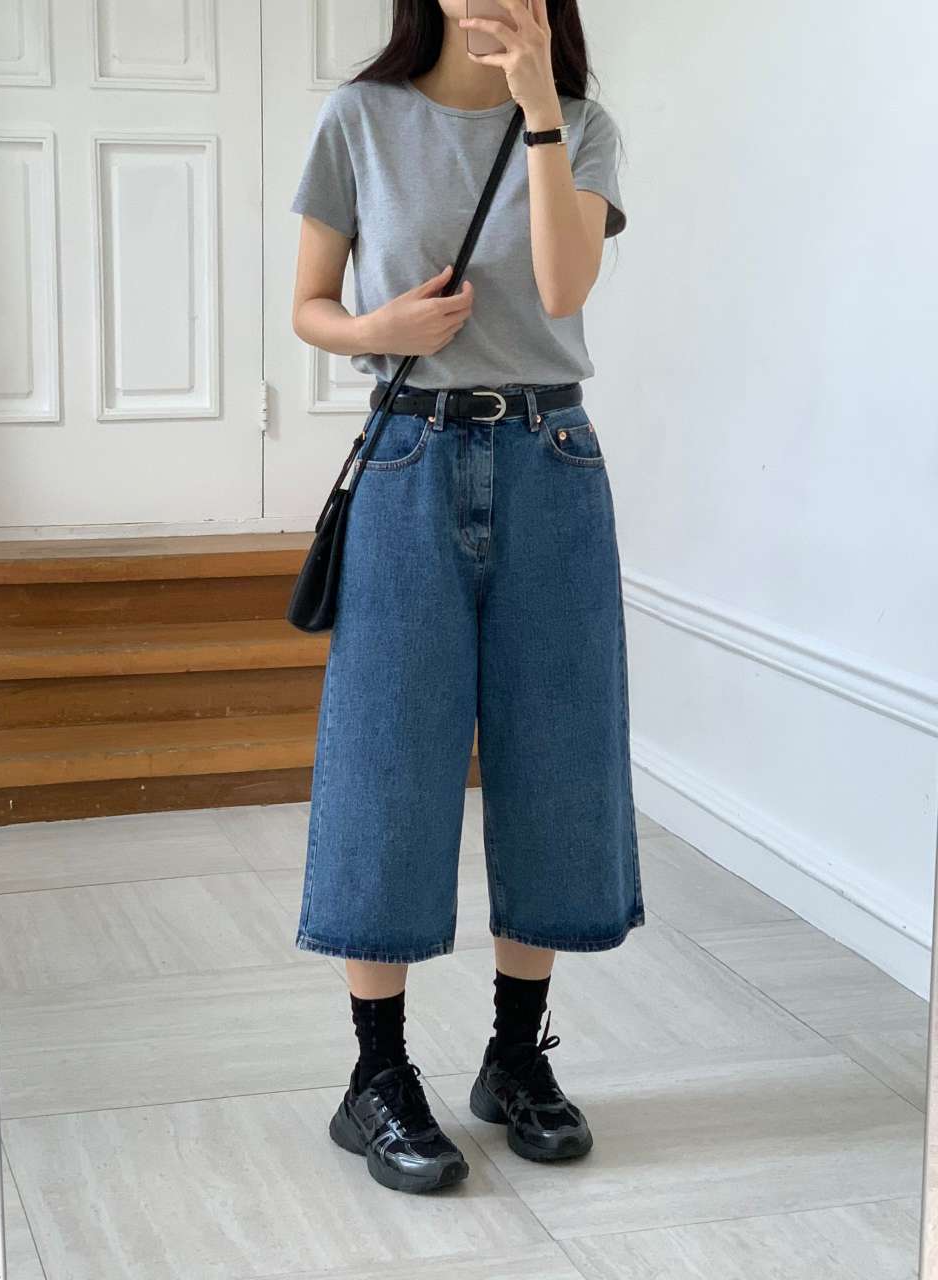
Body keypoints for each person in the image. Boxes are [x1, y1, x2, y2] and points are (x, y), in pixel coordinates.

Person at [289, 0, 645, 1195]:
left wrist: (540, 109)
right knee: (388, 760)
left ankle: (515, 1054)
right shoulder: (360, 117)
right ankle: (377, 1075)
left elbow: (562, 286)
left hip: (552, 459)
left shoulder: (582, 125)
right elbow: (308, 304)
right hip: (409, 455)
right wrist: (375, 328)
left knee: (556, 757)